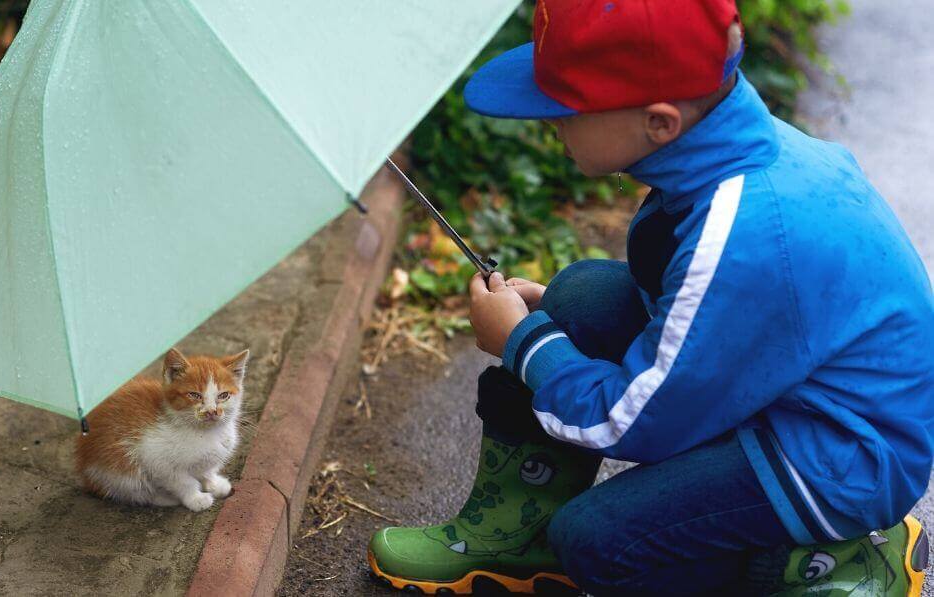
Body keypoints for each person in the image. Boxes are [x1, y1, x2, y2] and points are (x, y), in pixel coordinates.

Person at [367, 0, 934, 595]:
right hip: (785, 392)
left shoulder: (745, 231)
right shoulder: (727, 149)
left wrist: (524, 343)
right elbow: (695, 318)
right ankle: (517, 539)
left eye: (565, 108)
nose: (548, 123)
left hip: (837, 459)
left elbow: (631, 421)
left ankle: (835, 560)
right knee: (580, 295)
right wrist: (549, 329)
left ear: (659, 122)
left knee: (597, 543)